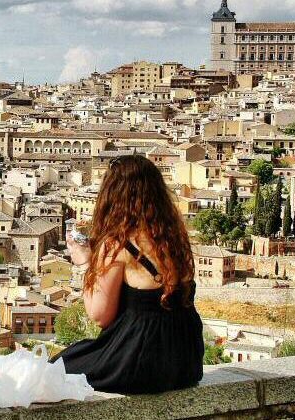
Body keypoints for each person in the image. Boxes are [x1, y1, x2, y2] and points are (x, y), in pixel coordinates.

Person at [51, 155, 204, 394]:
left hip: (140, 361)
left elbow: (100, 316)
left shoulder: (118, 245)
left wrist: (85, 264)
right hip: (185, 362)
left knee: (54, 369)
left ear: (112, 196)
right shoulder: (175, 239)